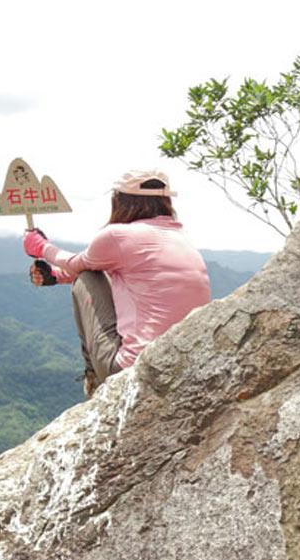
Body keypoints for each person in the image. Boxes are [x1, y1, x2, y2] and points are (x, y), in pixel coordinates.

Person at [23, 170, 211, 397]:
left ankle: (94, 379)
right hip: (182, 363)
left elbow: (79, 266)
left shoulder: (117, 236)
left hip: (131, 370)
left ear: (122, 201)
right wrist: (54, 275)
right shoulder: (182, 239)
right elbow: (114, 268)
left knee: (86, 278)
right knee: (103, 274)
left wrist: (41, 246)